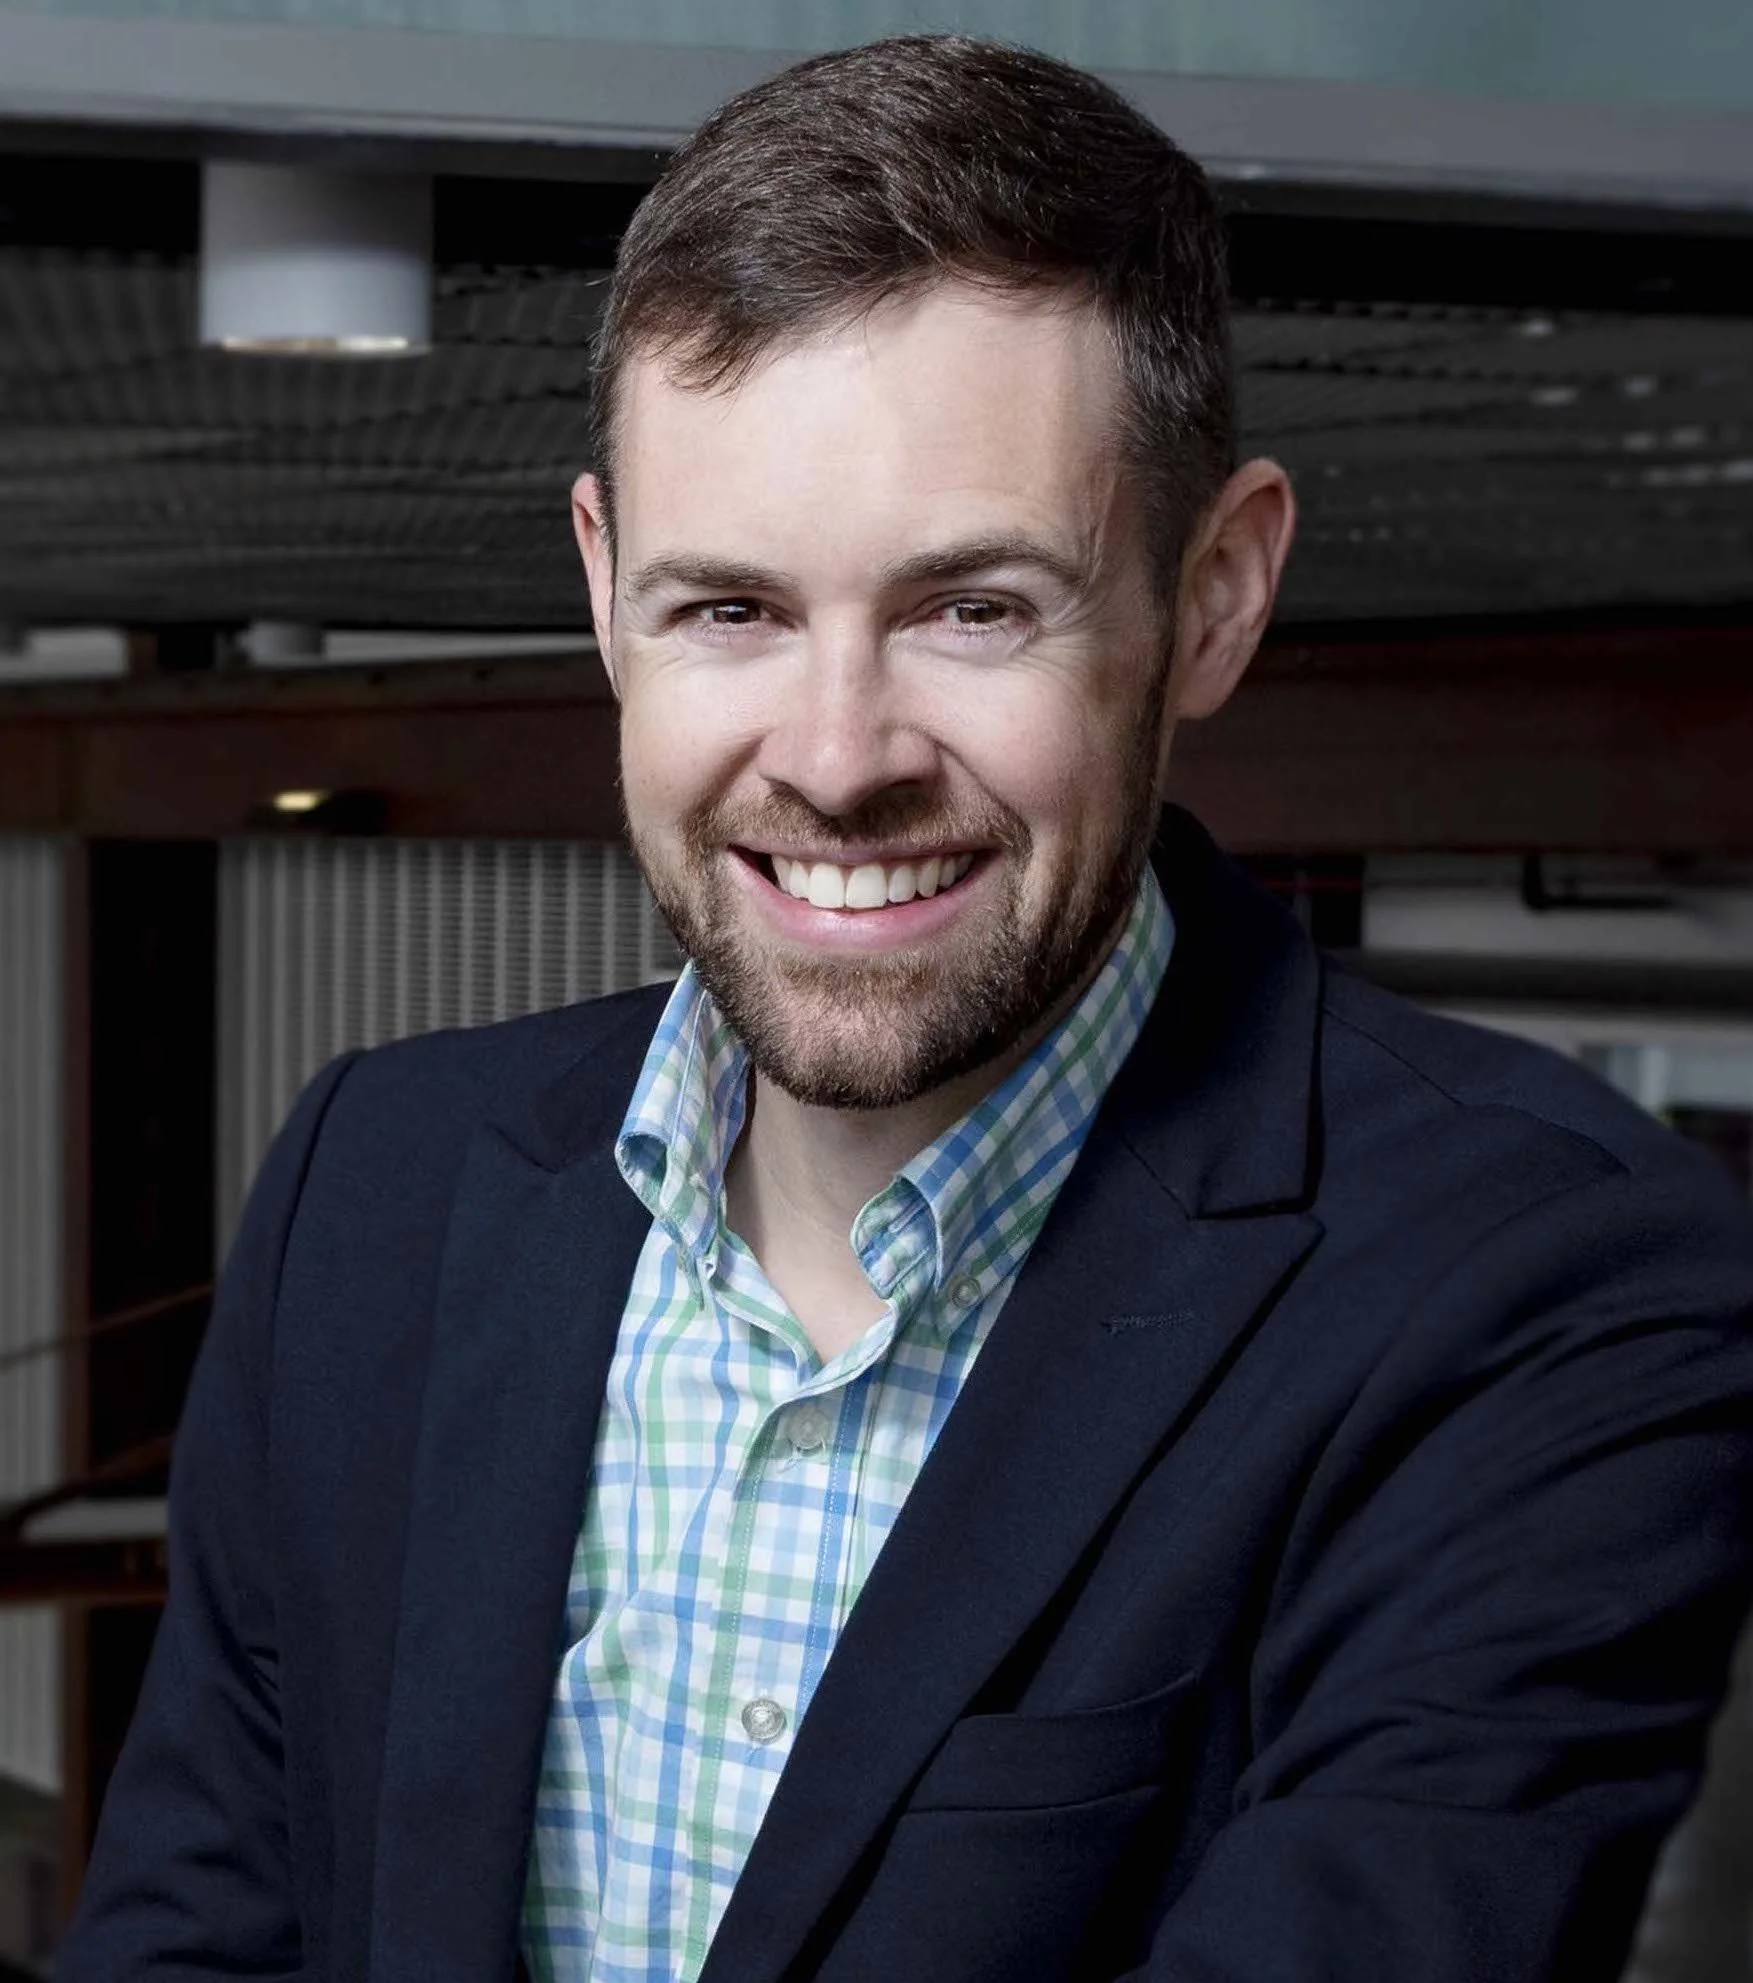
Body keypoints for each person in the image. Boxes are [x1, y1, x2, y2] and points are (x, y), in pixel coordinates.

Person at [57, 34, 1753, 1983]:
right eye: (733, 610)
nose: (839, 757)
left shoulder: (1552, 1292)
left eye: (974, 608)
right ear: (607, 594)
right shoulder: (378, 1178)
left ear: (1212, 597)